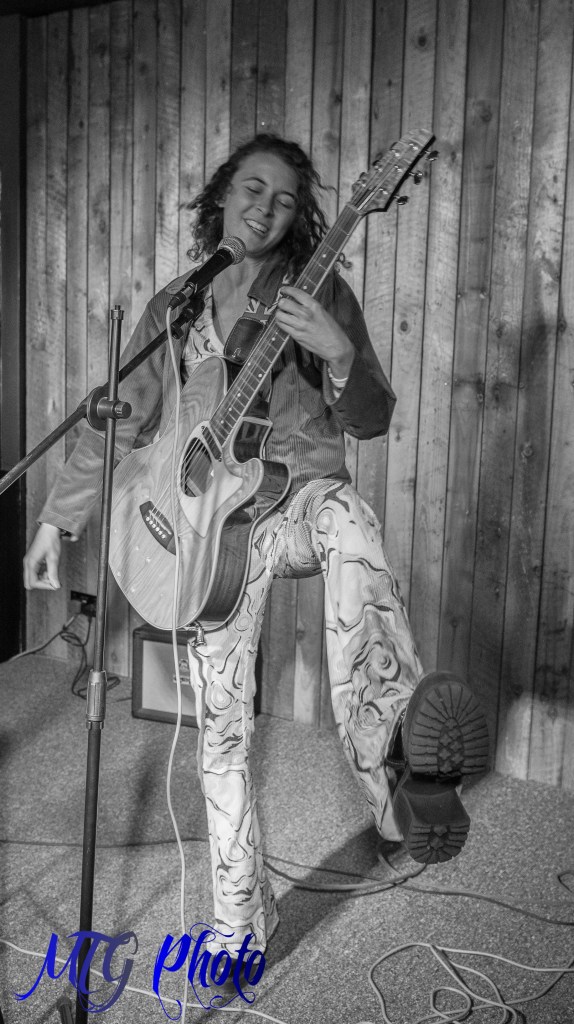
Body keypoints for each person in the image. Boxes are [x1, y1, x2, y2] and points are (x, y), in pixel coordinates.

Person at [24, 134, 488, 980]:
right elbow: (120, 415)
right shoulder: (178, 302)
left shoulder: (319, 288)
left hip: (294, 501)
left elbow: (371, 418)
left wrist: (339, 353)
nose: (265, 208)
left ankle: (400, 769)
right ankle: (239, 925)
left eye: (283, 199)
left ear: (303, 214)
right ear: (221, 196)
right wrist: (58, 519)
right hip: (206, 532)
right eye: (251, 189)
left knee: (349, 520)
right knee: (221, 733)